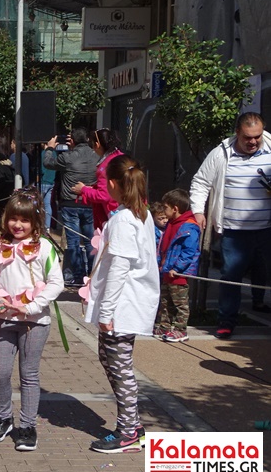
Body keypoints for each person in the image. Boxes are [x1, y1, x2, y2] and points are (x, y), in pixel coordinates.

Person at [0, 188, 63, 451]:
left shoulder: (44, 247)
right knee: (0, 371)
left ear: (35, 222)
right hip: (5, 318)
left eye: (25, 220)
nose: (18, 225)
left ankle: (27, 426)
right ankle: (3, 418)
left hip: (34, 322)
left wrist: (33, 306)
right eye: (13, 218)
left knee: (28, 374)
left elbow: (56, 283)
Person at [85, 155, 159, 454]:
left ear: (114, 184)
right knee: (111, 360)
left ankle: (129, 431)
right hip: (123, 304)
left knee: (120, 367)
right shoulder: (137, 215)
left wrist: (106, 311)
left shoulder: (125, 220)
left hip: (122, 306)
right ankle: (132, 425)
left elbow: (119, 268)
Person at [190, 112, 271, 339]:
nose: (253, 141)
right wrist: (198, 211)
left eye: (257, 136)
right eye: (248, 137)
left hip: (267, 229)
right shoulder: (221, 154)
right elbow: (201, 182)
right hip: (235, 231)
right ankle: (226, 320)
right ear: (237, 133)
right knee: (230, 276)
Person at [43, 128, 98, 285]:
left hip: (70, 203)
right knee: (90, 240)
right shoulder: (96, 156)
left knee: (73, 240)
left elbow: (48, 163)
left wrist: (50, 148)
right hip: (89, 202)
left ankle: (78, 275)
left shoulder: (67, 156)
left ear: (72, 141)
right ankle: (92, 274)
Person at [154, 189, 200, 343]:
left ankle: (181, 330)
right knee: (165, 301)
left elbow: (189, 251)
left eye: (166, 207)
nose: (163, 210)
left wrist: (178, 268)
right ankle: (164, 326)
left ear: (175, 208)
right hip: (167, 269)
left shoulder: (189, 227)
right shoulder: (172, 223)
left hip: (178, 273)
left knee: (180, 303)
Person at [73, 128, 125, 230]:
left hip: (114, 214)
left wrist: (83, 189)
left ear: (97, 145)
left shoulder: (106, 166)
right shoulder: (121, 157)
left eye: (92, 145)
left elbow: (103, 195)